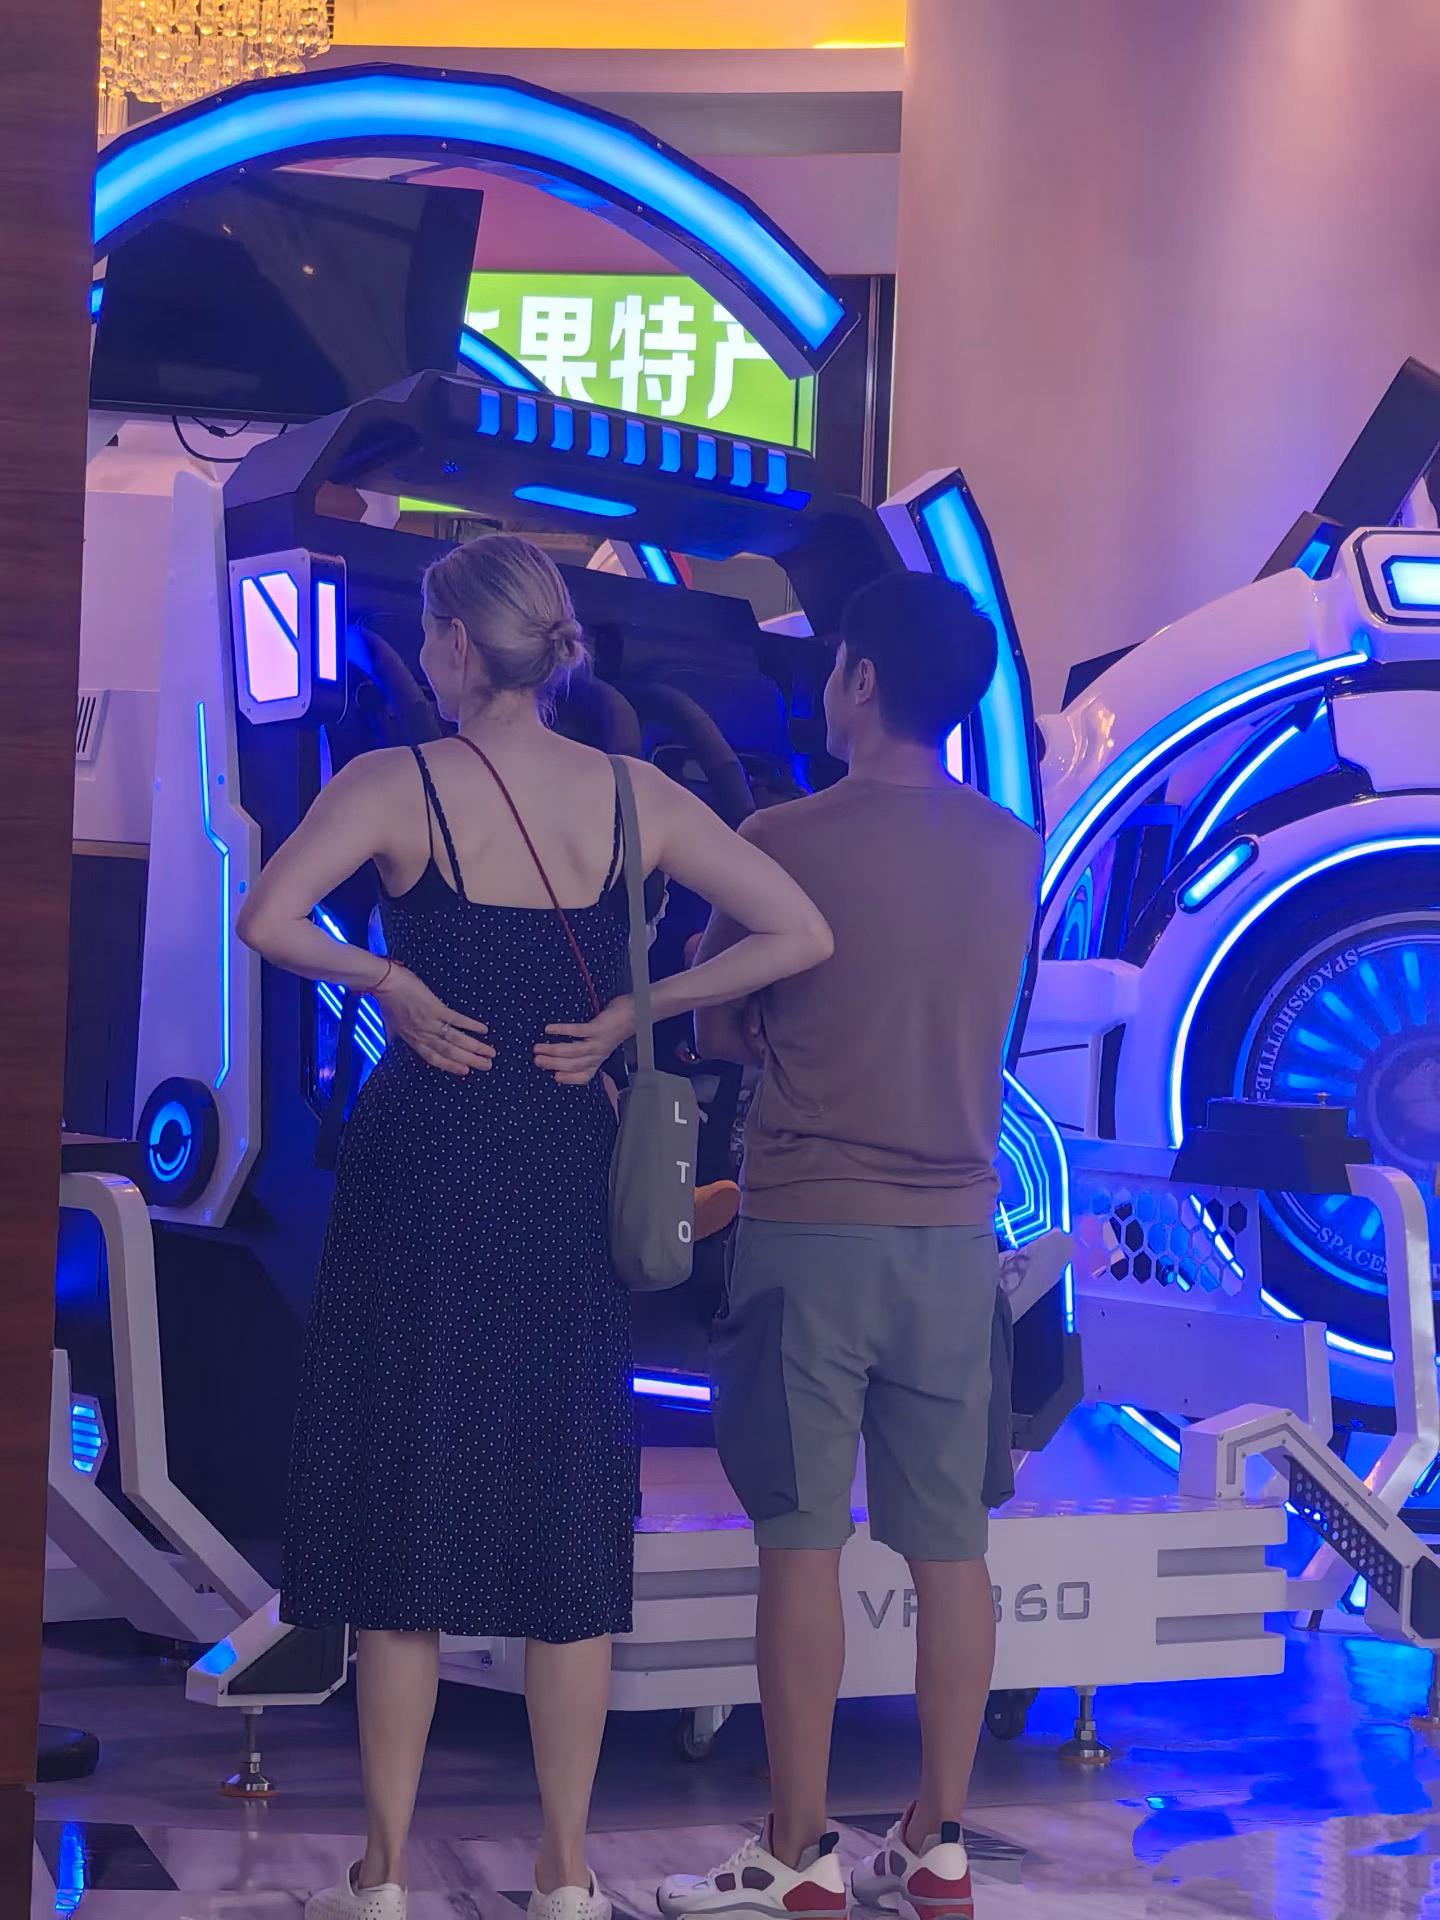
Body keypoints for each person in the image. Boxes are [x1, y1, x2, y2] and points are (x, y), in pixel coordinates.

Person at [236, 533, 832, 1920]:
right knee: (568, 1521)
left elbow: (267, 917)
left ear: (455, 645)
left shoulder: (393, 784)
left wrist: (388, 978)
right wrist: (634, 1011)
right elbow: (798, 933)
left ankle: (384, 1872)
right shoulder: (635, 795)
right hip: (566, 1168)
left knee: (401, 1518)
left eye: (428, 635)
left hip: (421, 1167)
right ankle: (565, 1873)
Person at [660, 571, 1042, 1920]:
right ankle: (939, 1845)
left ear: (864, 679)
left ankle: (797, 1851)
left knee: (801, 1547)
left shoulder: (780, 838)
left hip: (810, 1232)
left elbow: (714, 1021)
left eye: (833, 663)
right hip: (955, 1241)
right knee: (953, 1554)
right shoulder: (1013, 846)